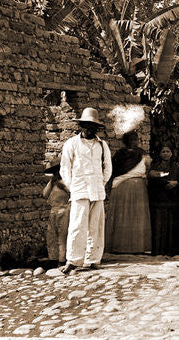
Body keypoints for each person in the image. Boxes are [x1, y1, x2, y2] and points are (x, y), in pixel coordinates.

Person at [59, 107, 113, 274]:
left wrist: (101, 182)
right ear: (80, 126)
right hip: (80, 189)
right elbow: (65, 168)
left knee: (95, 226)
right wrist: (72, 186)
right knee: (77, 225)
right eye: (86, 126)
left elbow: (107, 167)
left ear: (97, 128)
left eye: (93, 127)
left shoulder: (102, 145)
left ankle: (93, 259)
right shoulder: (71, 144)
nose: (89, 129)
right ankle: (73, 260)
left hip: (97, 190)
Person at [104, 131, 151, 254]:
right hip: (122, 186)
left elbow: (148, 167)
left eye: (136, 139)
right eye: (131, 139)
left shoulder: (142, 153)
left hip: (139, 188)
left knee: (137, 216)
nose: (134, 142)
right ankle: (120, 247)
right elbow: (113, 171)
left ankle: (138, 247)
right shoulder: (120, 154)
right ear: (126, 141)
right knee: (123, 215)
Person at [148, 145, 179, 256]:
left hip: (173, 202)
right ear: (160, 154)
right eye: (163, 151)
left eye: (168, 151)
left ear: (171, 153)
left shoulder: (177, 167)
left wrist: (176, 183)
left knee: (172, 227)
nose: (165, 153)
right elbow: (151, 183)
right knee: (159, 227)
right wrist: (162, 182)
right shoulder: (154, 167)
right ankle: (159, 251)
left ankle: (172, 252)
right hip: (159, 202)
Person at [41, 163, 70, 264]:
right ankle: (53, 259)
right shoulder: (53, 182)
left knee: (62, 236)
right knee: (52, 236)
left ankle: (62, 260)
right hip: (53, 210)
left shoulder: (67, 181)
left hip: (64, 209)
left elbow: (72, 192)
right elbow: (45, 194)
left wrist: (63, 186)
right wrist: (51, 183)